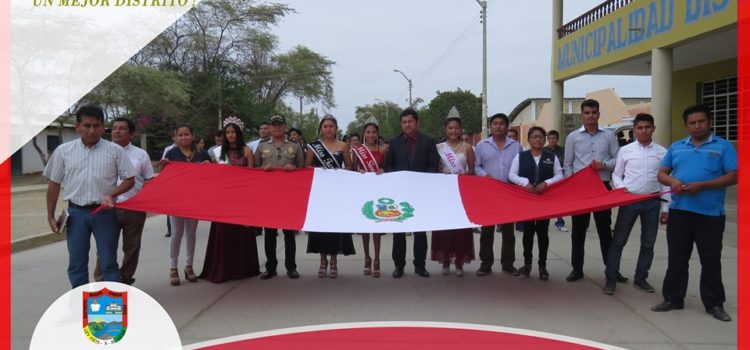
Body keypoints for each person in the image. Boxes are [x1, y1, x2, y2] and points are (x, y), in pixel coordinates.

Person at [651, 105, 737, 322]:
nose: (697, 126)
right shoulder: (677, 147)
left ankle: (714, 303)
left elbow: (733, 176)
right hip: (680, 212)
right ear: (686, 125)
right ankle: (673, 298)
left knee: (710, 260)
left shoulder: (723, 147)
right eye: (692, 122)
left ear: (709, 122)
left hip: (710, 215)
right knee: (677, 259)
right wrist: (674, 181)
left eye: (701, 121)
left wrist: (703, 185)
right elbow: (662, 174)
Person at [43, 105, 136, 288]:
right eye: (86, 125)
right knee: (77, 264)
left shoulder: (115, 151)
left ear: (103, 127)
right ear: (77, 127)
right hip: (75, 214)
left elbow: (130, 179)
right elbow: (54, 184)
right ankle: (81, 306)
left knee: (108, 262)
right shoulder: (63, 151)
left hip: (104, 213)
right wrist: (50, 215)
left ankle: (107, 312)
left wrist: (111, 194)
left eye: (96, 125)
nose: (92, 130)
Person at [603, 113, 670, 295]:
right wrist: (622, 188)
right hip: (630, 200)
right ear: (634, 130)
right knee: (618, 241)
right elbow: (616, 174)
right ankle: (610, 278)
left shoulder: (662, 152)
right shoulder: (626, 151)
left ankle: (641, 278)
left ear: (653, 129)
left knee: (648, 243)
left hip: (653, 201)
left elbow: (664, 181)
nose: (643, 131)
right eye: (640, 128)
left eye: (647, 127)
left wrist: (666, 208)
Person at [563, 99, 623, 283]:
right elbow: (567, 164)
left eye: (594, 112)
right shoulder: (573, 137)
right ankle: (577, 269)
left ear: (599, 114)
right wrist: (571, 185)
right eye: (587, 112)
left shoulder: (609, 135)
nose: (590, 116)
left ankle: (612, 270)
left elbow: (618, 160)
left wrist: (603, 165)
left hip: (602, 186)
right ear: (582, 115)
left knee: (605, 231)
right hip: (581, 190)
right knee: (578, 231)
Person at [93, 117, 154, 286]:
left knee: (132, 247)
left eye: (122, 128)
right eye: (114, 128)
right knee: (105, 247)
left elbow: (149, 180)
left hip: (134, 209)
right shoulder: (100, 153)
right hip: (108, 208)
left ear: (131, 134)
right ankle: (101, 281)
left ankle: (125, 279)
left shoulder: (141, 155)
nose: (117, 131)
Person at [200, 117, 260, 283]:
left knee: (241, 234)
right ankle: (223, 269)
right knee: (223, 235)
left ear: (239, 133)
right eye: (228, 132)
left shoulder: (247, 151)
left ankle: (243, 269)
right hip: (223, 200)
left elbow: (251, 177)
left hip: (241, 199)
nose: (231, 135)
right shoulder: (216, 153)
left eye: (233, 132)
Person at [385, 108, 440, 278]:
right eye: (404, 122)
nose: (407, 125)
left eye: (410, 121)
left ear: (417, 123)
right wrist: (399, 178)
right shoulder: (394, 143)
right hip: (399, 193)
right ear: (401, 124)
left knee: (420, 232)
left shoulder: (428, 142)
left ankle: (420, 265)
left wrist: (423, 180)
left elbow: (433, 165)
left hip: (421, 193)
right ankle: (399, 266)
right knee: (399, 232)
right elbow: (389, 166)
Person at [508, 126, 564, 280]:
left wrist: (547, 183)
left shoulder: (551, 157)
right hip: (527, 201)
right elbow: (511, 174)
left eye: (540, 137)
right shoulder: (521, 156)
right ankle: (527, 264)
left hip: (544, 201)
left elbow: (560, 175)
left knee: (543, 233)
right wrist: (524, 182)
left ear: (544, 139)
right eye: (534, 137)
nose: (538, 139)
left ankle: (542, 265)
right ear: (529, 139)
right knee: (528, 233)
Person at [255, 113, 304, 280]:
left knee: (289, 234)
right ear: (269, 127)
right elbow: (254, 170)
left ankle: (291, 267)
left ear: (285, 127)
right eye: (273, 125)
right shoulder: (261, 147)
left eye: (279, 125)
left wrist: (293, 167)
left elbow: (303, 169)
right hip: (268, 196)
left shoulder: (295, 146)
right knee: (270, 234)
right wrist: (263, 169)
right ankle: (271, 267)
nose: (276, 127)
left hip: (288, 196)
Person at [160, 125, 211, 286]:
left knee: (191, 234)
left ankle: (189, 266)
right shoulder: (171, 154)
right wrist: (164, 166)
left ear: (193, 136)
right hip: (176, 200)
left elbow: (210, 176)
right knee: (176, 234)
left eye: (186, 134)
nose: (184, 137)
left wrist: (207, 167)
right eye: (180, 135)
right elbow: (165, 177)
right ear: (175, 137)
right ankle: (173, 267)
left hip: (195, 200)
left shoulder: (202, 154)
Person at [305, 115, 355, 278]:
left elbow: (349, 167)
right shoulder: (314, 147)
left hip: (337, 193)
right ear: (321, 128)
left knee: (335, 227)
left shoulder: (343, 145)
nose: (328, 129)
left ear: (336, 128)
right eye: (325, 126)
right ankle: (322, 261)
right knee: (321, 227)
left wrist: (339, 172)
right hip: (320, 193)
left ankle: (333, 261)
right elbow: (307, 168)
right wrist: (320, 172)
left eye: (331, 126)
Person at [474, 113, 522, 276]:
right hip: (488, 195)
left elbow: (520, 169)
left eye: (502, 123)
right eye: (495, 123)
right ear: (490, 126)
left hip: (509, 194)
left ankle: (508, 264)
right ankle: (485, 264)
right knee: (487, 231)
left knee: (508, 232)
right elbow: (476, 167)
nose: (498, 126)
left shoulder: (516, 147)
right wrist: (484, 176)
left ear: (507, 126)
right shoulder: (481, 145)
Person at [432, 112, 475, 277]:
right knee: (445, 226)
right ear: (445, 129)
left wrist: (466, 174)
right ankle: (445, 261)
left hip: (461, 192)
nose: (453, 131)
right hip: (444, 191)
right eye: (450, 128)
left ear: (460, 129)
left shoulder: (468, 147)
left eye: (456, 128)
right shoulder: (439, 148)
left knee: (460, 227)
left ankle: (458, 262)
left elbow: (472, 170)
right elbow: (435, 169)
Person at [351, 117, 388, 277]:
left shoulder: (384, 149)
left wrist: (383, 171)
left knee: (377, 228)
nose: (371, 135)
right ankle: (367, 258)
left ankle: (377, 259)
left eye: (373, 132)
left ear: (377, 133)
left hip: (378, 191)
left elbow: (387, 168)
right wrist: (357, 173)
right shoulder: (357, 150)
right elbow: (352, 171)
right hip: (363, 191)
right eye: (368, 132)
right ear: (363, 133)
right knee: (365, 228)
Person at [545, 130, 568, 232]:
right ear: (547, 139)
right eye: (550, 138)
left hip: (559, 179)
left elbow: (567, 163)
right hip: (546, 179)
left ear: (557, 139)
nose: (552, 140)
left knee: (559, 202)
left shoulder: (563, 150)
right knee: (544, 202)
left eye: (554, 138)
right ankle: (542, 222)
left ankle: (560, 223)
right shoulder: (543, 150)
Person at [162, 130, 177, 238]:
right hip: (172, 182)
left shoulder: (192, 150)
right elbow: (164, 164)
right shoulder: (169, 150)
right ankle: (170, 228)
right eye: (178, 135)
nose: (180, 138)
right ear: (173, 137)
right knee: (170, 208)